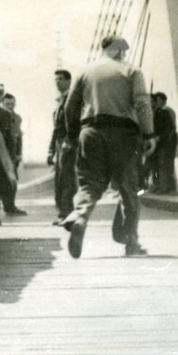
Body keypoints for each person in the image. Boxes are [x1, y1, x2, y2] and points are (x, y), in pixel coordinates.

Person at [63, 35, 156, 258]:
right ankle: (131, 242)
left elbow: (70, 106)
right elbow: (142, 104)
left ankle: (80, 216)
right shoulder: (131, 71)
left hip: (91, 132)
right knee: (127, 188)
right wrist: (149, 133)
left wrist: (73, 135)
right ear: (120, 50)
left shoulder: (85, 71)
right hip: (124, 134)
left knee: (89, 183)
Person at [0, 85, 27, 216]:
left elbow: (14, 137)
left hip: (5, 154)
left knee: (10, 181)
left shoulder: (9, 116)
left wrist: (15, 155)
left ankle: (9, 207)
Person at [48, 69, 75, 224]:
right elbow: (56, 127)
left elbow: (75, 123)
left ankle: (67, 214)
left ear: (69, 81)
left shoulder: (73, 99)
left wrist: (69, 141)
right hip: (60, 143)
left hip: (68, 144)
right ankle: (63, 213)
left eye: (60, 79)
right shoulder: (60, 101)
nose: (57, 82)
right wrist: (51, 150)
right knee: (60, 179)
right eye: (56, 79)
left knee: (67, 180)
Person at [151, 92, 178, 193]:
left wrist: (160, 137)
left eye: (157, 101)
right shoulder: (152, 113)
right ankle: (159, 186)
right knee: (156, 165)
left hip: (166, 142)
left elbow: (170, 128)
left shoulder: (166, 112)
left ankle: (166, 187)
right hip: (156, 143)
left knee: (165, 164)